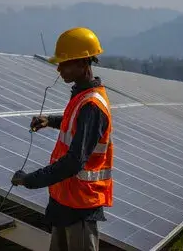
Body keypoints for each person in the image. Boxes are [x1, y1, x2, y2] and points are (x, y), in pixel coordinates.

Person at [11, 27, 113, 251]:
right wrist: (51, 120)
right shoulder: (81, 95)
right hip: (66, 202)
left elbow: (73, 162)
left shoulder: (92, 105)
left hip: (80, 207)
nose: (59, 69)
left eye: (64, 63)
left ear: (82, 63)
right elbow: (75, 123)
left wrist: (30, 180)